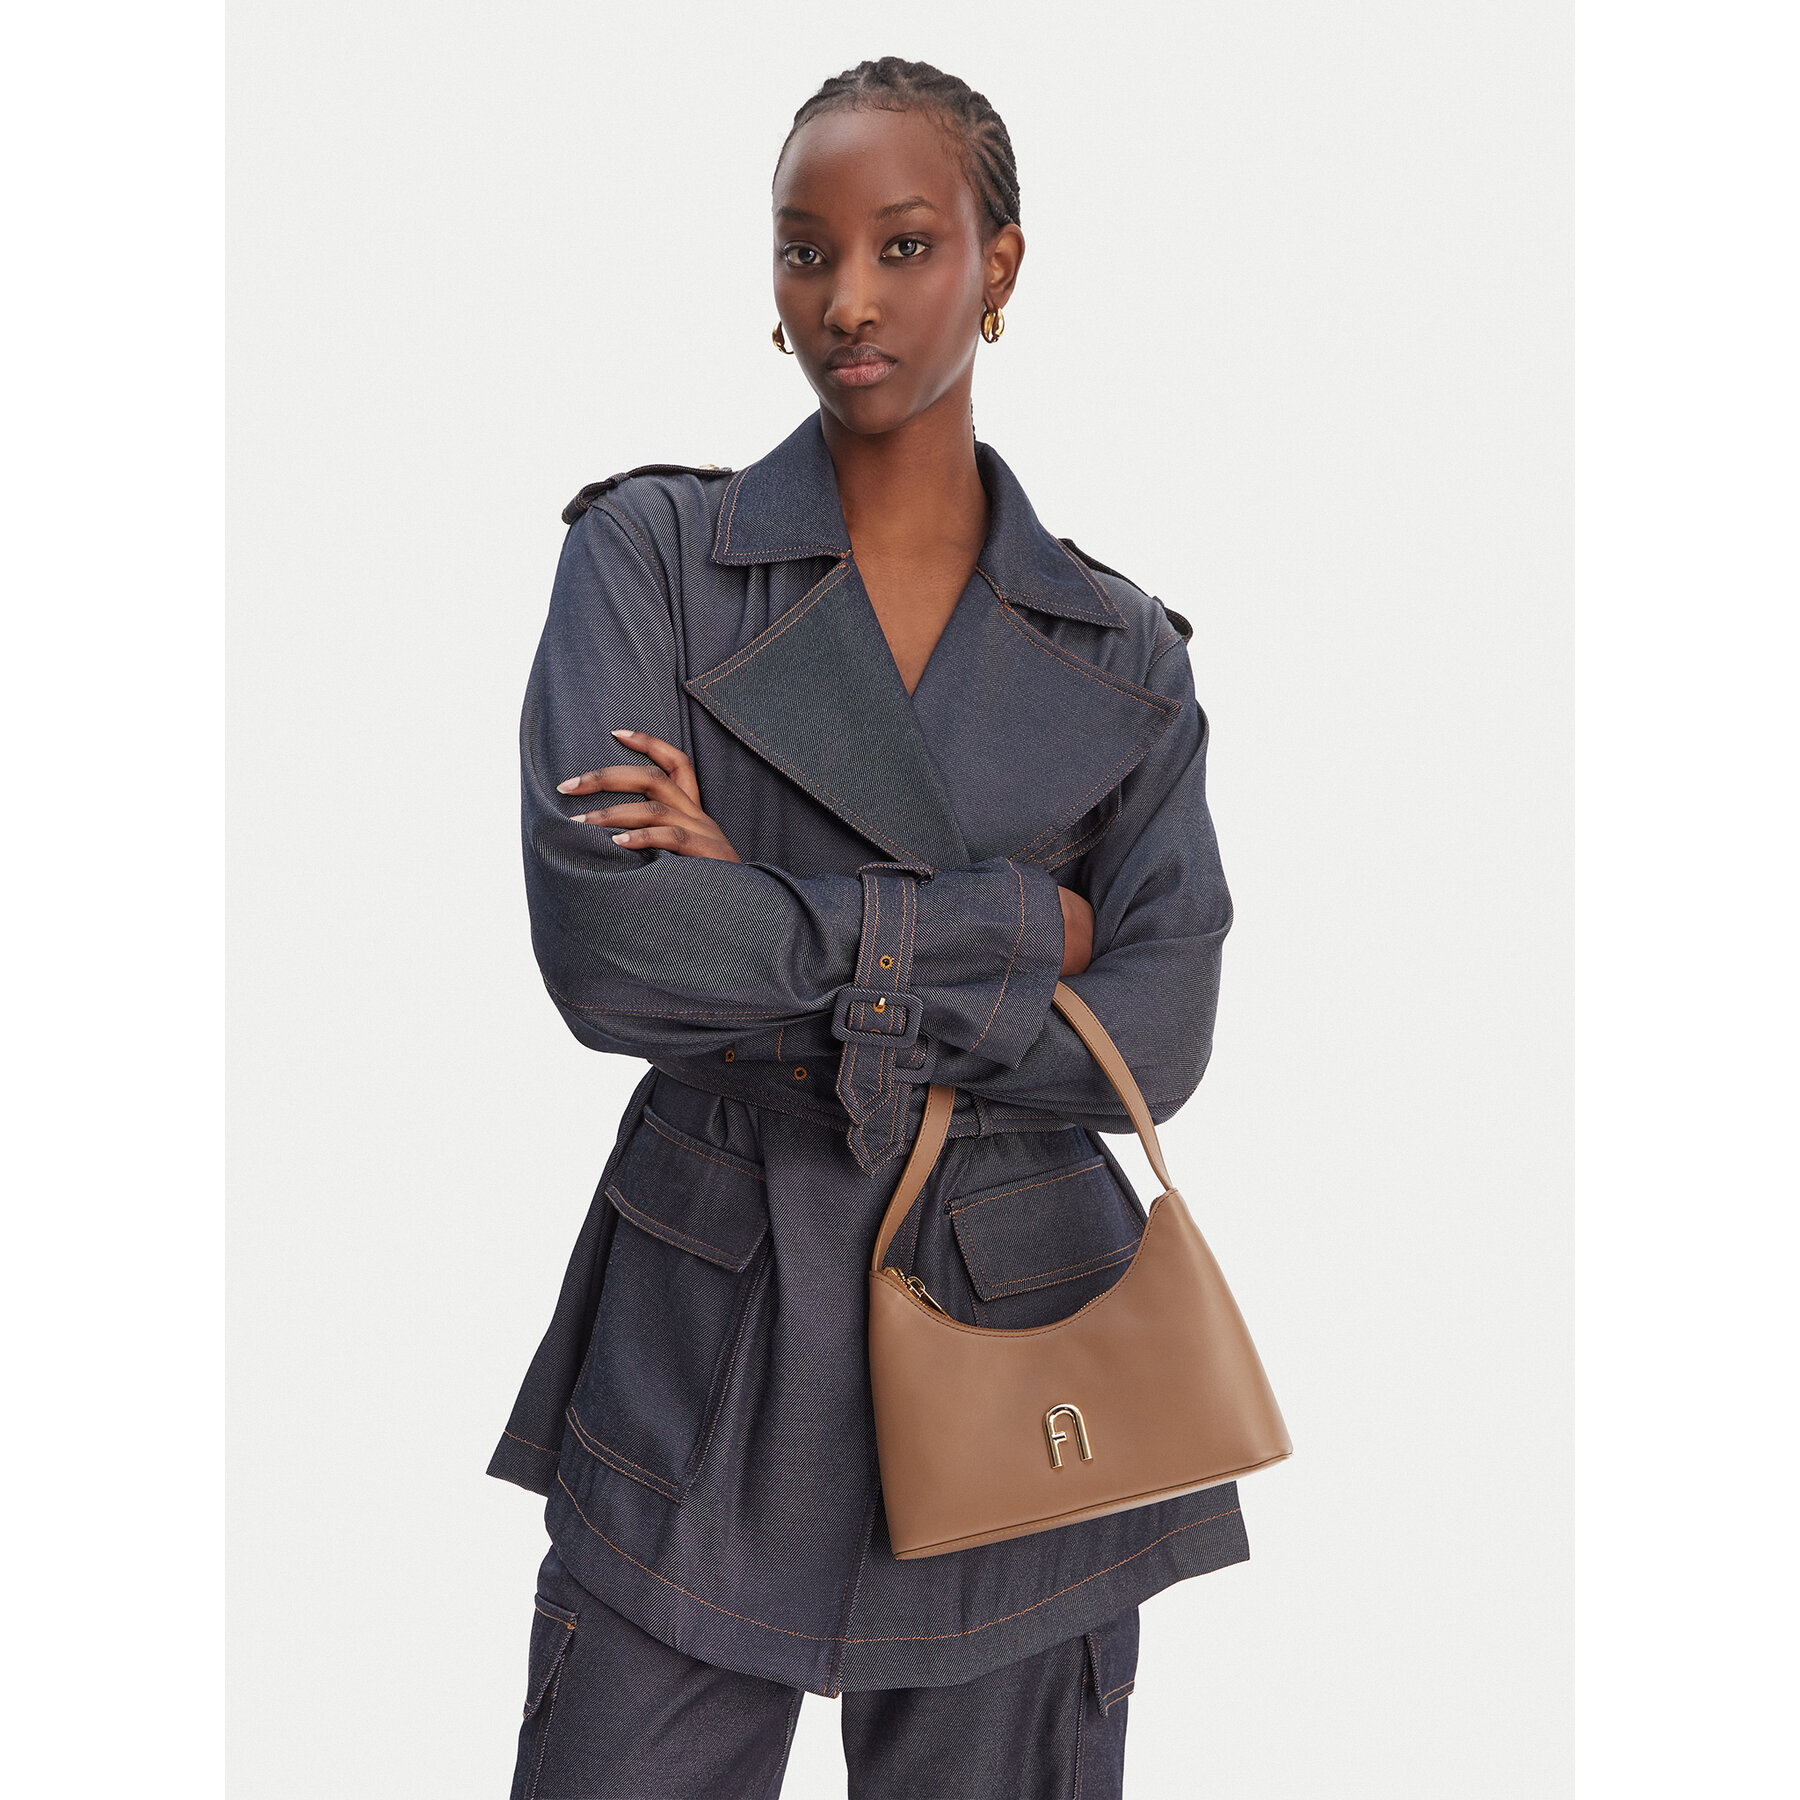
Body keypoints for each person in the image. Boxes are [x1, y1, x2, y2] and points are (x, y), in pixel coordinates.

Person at [492, 56, 1245, 1799]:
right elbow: (611, 949)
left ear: (1000, 264)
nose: (846, 298)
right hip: (708, 1324)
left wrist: (757, 909)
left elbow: (1162, 1033)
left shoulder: (1123, 651)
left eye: (906, 245)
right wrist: (1018, 931)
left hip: (1027, 1340)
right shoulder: (654, 557)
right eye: (803, 249)